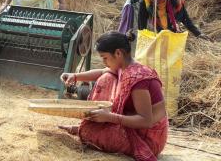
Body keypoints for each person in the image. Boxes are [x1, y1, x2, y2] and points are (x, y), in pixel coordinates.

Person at [59, 31, 168, 161]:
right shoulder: (124, 67)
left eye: (105, 57)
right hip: (131, 123)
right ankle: (94, 126)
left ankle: (86, 128)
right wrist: (75, 76)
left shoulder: (138, 79)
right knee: (106, 77)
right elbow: (101, 72)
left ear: (118, 53)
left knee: (88, 133)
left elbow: (146, 121)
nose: (104, 62)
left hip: (148, 137)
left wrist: (110, 117)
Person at [118, 0, 211, 41]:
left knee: (161, 35)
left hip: (153, 10)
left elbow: (185, 18)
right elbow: (142, 26)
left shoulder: (174, 0)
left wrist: (198, 34)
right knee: (132, 37)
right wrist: (141, 37)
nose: (155, 0)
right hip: (134, 5)